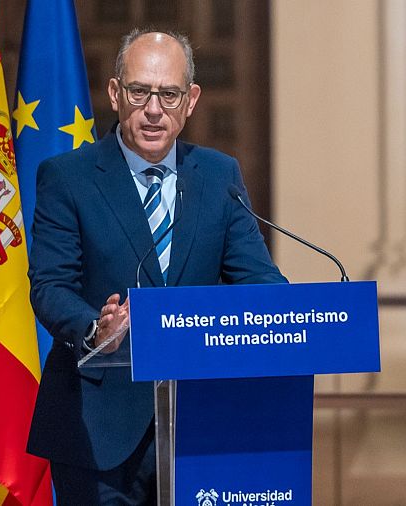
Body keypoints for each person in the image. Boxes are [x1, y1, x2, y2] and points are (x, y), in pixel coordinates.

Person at [25, 28, 286, 505]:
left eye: (168, 94)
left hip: (200, 423)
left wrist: (296, 313)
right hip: (98, 427)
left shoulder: (218, 175)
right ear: (114, 93)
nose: (153, 109)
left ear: (191, 100)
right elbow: (50, 285)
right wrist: (95, 328)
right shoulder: (68, 177)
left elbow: (259, 281)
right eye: (139, 91)